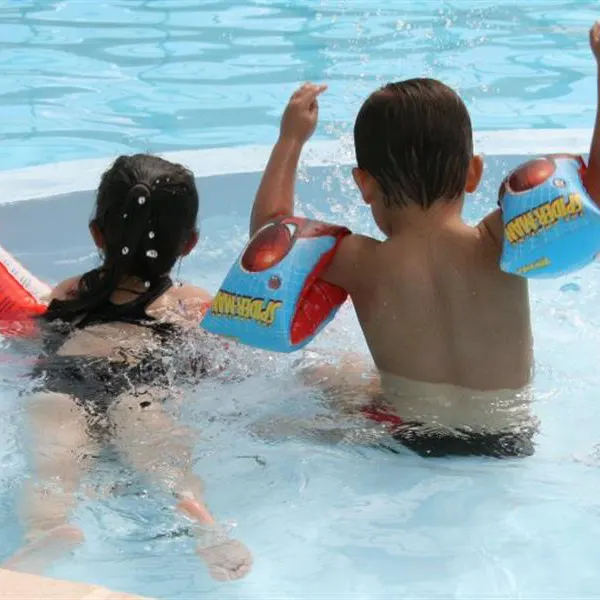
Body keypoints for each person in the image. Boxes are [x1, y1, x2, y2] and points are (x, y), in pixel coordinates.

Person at [250, 23, 600, 458]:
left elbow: (270, 235)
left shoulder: (361, 263)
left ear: (364, 184)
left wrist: (290, 139)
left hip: (409, 438)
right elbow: (594, 194)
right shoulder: (503, 239)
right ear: (473, 173)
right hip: (510, 437)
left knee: (321, 374)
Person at [3, 154, 252, 581]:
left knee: (53, 466)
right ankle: (198, 516)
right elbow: (225, 355)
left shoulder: (71, 291)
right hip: (142, 377)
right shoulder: (187, 301)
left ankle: (44, 531)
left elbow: (36, 337)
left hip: (64, 379)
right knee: (160, 450)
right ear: (190, 243)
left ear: (96, 233)